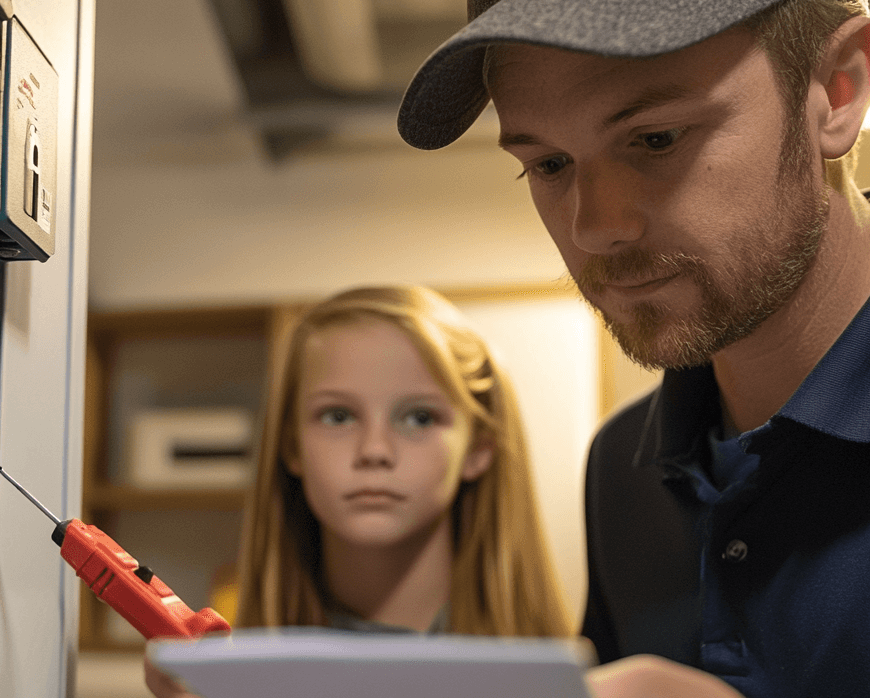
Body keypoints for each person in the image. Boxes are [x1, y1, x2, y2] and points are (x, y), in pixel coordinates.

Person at [396, 0, 870, 696]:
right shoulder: (625, 470)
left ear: (840, 88)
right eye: (550, 164)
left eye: (654, 139)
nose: (594, 226)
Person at [145, 285, 576, 697]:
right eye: (337, 416)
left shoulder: (569, 682)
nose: (374, 451)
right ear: (291, 444)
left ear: (478, 448)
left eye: (419, 418)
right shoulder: (227, 674)